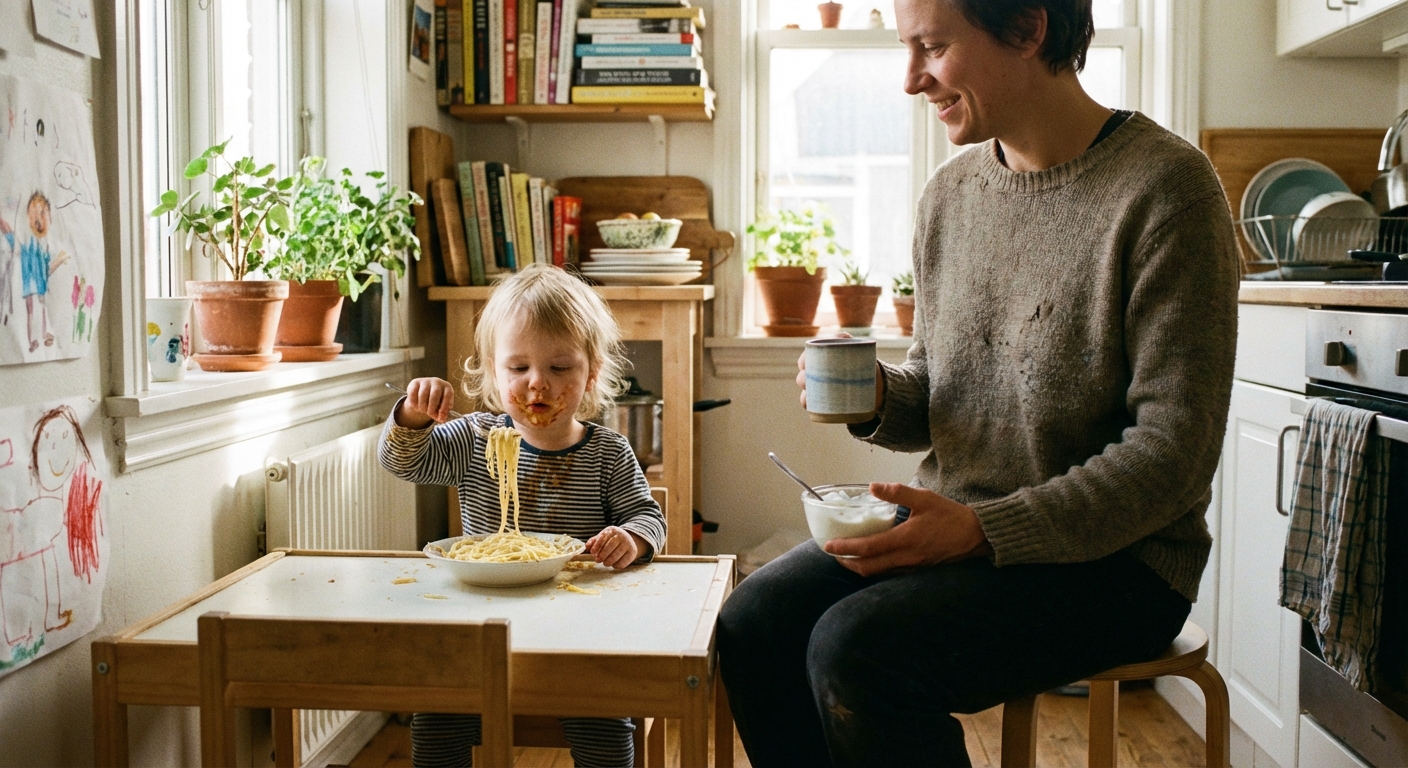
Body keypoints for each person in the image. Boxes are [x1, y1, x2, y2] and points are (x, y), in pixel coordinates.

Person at [716, 1, 1240, 766]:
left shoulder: (1168, 191)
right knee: (754, 618)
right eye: (906, 49)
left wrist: (984, 531)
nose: (909, 79)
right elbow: (941, 391)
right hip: (967, 532)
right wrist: (876, 400)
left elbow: (1172, 456)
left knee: (856, 650)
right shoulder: (951, 193)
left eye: (932, 47)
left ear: (1028, 29)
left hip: (1118, 566)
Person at [378, 263, 666, 768]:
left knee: (603, 724)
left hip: (579, 632)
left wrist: (633, 538)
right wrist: (411, 415)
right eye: (518, 369)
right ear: (493, 371)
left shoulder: (608, 454)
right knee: (437, 717)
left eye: (560, 368)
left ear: (591, 373)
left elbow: (648, 515)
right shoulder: (473, 439)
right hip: (483, 621)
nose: (538, 385)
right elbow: (404, 460)